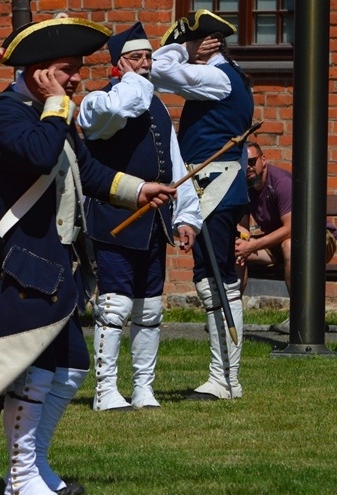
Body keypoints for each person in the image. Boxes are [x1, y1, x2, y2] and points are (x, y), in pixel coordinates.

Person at [0, 17, 173, 495]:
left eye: (76, 70)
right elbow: (39, 155)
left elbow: (87, 168)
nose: (77, 78)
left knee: (71, 370)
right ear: (38, 74)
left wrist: (138, 190)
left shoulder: (53, 115)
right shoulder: (5, 116)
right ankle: (18, 482)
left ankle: (36, 466)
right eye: (66, 70)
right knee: (33, 372)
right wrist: (57, 105)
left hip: (53, 263)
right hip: (17, 261)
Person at [77, 23, 202, 411]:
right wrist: (134, 81)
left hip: (155, 218)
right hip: (114, 214)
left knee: (149, 308)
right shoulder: (100, 102)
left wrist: (187, 216)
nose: (145, 64)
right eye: (136, 58)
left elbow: (174, 162)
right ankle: (106, 389)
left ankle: (144, 387)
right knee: (115, 306)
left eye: (148, 57)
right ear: (117, 65)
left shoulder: (156, 103)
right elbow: (117, 110)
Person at [151, 9, 253, 400]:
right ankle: (222, 376)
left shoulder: (214, 76)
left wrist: (181, 48)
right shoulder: (227, 73)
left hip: (216, 186)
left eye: (194, 41)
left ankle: (226, 379)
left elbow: (158, 70)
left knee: (219, 280)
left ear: (206, 43)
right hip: (211, 186)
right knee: (212, 279)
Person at [236, 141, 337, 334]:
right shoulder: (246, 187)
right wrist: (242, 238)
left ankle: (301, 318)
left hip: (318, 238)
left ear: (263, 160)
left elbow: (292, 229)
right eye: (243, 163)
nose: (247, 167)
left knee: (290, 245)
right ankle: (231, 314)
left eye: (251, 161)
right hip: (279, 242)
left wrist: (254, 243)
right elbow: (244, 228)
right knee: (238, 249)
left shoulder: (281, 183)